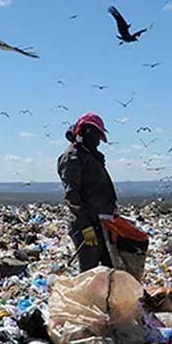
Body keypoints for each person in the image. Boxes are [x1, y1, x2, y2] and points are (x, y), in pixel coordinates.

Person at [57, 113, 117, 272]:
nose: (98, 141)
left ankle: (104, 298)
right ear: (86, 131)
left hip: (102, 223)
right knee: (89, 272)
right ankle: (87, 298)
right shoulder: (72, 157)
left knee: (109, 269)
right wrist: (85, 226)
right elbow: (72, 195)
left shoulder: (89, 155)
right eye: (97, 136)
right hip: (87, 225)